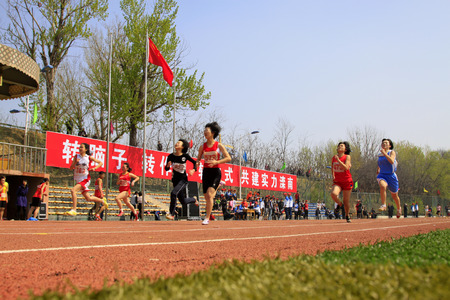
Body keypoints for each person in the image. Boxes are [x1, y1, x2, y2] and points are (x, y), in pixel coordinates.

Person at [196, 122, 231, 225]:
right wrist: (197, 164)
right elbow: (198, 159)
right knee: (206, 196)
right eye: (204, 131)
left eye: (207, 131)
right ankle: (218, 186)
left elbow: (228, 158)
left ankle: (207, 218)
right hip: (206, 172)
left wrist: (217, 162)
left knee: (210, 195)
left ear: (213, 133)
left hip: (215, 172)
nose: (205, 132)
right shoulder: (202, 146)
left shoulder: (218, 145)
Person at [66, 143, 108, 216]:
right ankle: (102, 201)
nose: (80, 148)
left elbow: (100, 163)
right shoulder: (76, 156)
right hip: (78, 179)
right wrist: (75, 162)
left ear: (86, 149)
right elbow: (70, 168)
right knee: (88, 198)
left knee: (73, 190)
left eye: (82, 147)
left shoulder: (88, 157)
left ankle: (74, 209)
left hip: (85, 179)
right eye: (79, 147)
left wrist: (95, 168)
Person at [164, 139, 199, 220]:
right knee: (182, 201)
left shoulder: (185, 156)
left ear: (182, 147)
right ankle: (193, 199)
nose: (176, 144)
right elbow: (166, 168)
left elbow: (195, 163)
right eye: (176, 142)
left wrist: (193, 170)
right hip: (175, 180)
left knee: (173, 193)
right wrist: (168, 166)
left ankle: (171, 214)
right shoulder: (170, 156)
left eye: (178, 143)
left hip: (183, 180)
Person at [377, 138, 401, 218]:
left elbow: (391, 161)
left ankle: (398, 208)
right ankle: (384, 205)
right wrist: (378, 168)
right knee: (383, 186)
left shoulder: (392, 152)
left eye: (386, 143)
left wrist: (385, 154)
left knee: (394, 196)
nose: (384, 144)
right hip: (382, 175)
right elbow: (381, 162)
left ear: (389, 145)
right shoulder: (380, 154)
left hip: (391, 176)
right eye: (383, 143)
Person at [330, 142, 353, 223]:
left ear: (345, 149)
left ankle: (347, 215)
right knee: (333, 194)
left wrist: (338, 160)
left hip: (347, 181)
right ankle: (340, 205)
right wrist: (333, 175)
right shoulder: (334, 157)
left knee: (346, 201)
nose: (339, 147)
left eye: (341, 146)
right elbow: (332, 167)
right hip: (338, 181)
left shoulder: (347, 157)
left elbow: (346, 167)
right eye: (339, 145)